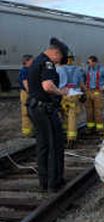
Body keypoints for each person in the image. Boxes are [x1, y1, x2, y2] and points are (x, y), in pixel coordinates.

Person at [27, 38, 69, 192]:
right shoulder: (47, 63)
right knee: (54, 146)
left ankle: (44, 182)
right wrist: (61, 92)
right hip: (45, 110)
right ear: (55, 53)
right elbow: (47, 86)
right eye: (60, 58)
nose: (59, 62)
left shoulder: (36, 61)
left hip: (35, 108)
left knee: (43, 146)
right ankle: (54, 183)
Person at [57, 54, 85, 146]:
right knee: (72, 116)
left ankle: (64, 133)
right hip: (74, 95)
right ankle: (71, 139)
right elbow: (81, 83)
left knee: (64, 114)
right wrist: (85, 93)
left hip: (63, 94)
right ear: (72, 60)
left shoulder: (59, 69)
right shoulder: (78, 70)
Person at [84, 55, 104, 134]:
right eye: (88, 62)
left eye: (90, 62)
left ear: (94, 62)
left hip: (97, 91)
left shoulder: (102, 69)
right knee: (89, 110)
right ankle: (90, 127)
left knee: (98, 110)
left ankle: (99, 129)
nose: (88, 64)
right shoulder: (87, 69)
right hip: (88, 91)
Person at [18, 54, 34, 137]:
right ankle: (27, 133)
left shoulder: (28, 69)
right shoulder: (24, 70)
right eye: (32, 60)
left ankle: (30, 130)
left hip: (28, 92)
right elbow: (25, 83)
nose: (33, 61)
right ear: (27, 61)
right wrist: (31, 92)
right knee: (26, 112)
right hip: (26, 93)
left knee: (32, 111)